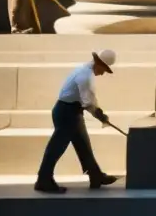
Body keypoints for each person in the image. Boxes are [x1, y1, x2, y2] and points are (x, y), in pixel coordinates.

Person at [35, 50, 119, 194]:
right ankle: (43, 179)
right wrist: (99, 114)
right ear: (99, 64)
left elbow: (88, 100)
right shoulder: (85, 76)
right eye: (104, 69)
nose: (103, 73)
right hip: (66, 112)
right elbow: (88, 102)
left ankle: (95, 175)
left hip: (72, 111)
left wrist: (99, 113)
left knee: (83, 144)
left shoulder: (84, 71)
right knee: (56, 147)